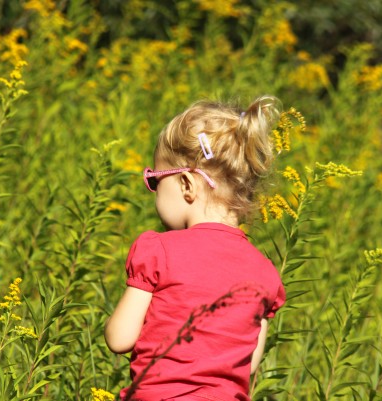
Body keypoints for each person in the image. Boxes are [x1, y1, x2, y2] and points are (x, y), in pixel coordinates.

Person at [104, 96, 286, 401]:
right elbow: (250, 362)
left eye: (154, 181)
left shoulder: (158, 250)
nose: (153, 191)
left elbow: (120, 338)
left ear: (187, 185)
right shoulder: (265, 273)